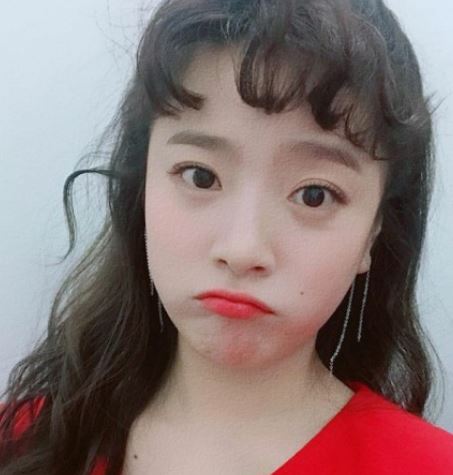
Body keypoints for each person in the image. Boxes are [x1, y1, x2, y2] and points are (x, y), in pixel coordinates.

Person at [1, 0, 452, 473]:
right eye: (200, 176)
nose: (242, 250)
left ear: (373, 233)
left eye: (314, 195)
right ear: (143, 188)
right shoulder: (24, 440)